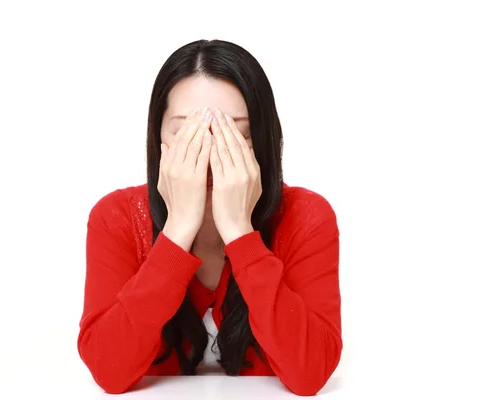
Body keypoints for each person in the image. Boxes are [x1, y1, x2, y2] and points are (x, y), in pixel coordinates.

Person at [77, 39, 342, 396]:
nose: (210, 149)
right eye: (188, 131)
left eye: (236, 132)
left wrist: (240, 232)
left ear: (263, 140)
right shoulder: (116, 216)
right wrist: (177, 231)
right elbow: (109, 371)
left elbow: (310, 374)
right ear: (158, 139)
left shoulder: (306, 216)